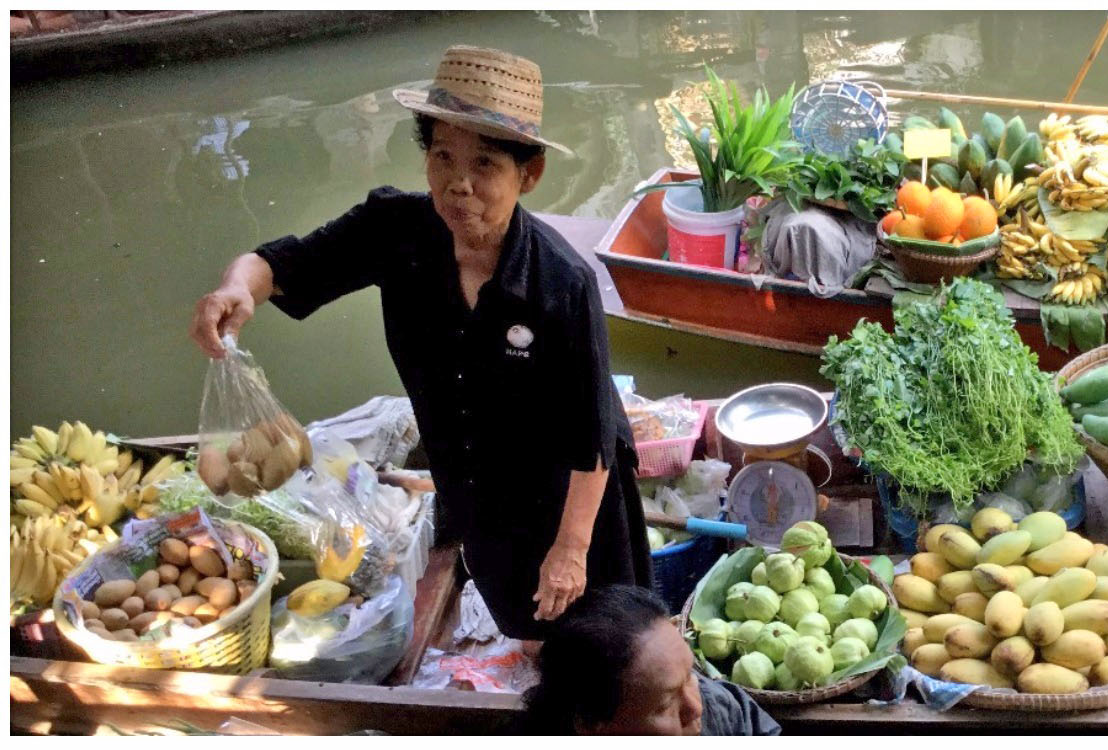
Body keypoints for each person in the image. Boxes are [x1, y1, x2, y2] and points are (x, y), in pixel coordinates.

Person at [188, 46, 652, 655]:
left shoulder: (561, 282)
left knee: (606, 634)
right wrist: (236, 290)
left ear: (528, 175)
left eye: (484, 163)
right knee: (524, 618)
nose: (459, 184)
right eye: (442, 157)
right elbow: (282, 263)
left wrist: (570, 549)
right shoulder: (395, 231)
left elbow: (588, 437)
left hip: (569, 489)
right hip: (472, 483)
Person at [522, 585, 782, 736]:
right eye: (666, 704)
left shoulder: (719, 709)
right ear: (593, 726)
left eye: (690, 674)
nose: (695, 707)